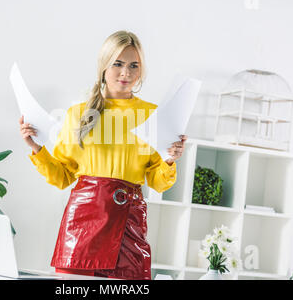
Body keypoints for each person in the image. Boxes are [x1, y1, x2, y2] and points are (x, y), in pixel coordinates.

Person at [19, 30, 187, 280]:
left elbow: (158, 181)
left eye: (133, 66)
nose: (126, 73)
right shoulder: (78, 114)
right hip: (81, 225)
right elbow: (63, 176)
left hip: (128, 223)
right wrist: (36, 148)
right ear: (103, 66)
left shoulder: (153, 115)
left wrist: (170, 159)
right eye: (118, 64)